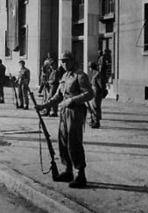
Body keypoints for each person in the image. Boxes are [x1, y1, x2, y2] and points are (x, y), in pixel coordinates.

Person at [35, 51, 94, 188]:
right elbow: (58, 96)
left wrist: (72, 100)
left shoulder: (80, 76)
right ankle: (68, 170)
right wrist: (44, 106)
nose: (64, 63)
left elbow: (89, 93)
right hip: (63, 112)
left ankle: (80, 174)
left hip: (75, 112)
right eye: (62, 61)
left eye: (66, 61)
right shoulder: (64, 76)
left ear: (73, 61)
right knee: (63, 141)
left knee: (74, 142)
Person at [88, 61, 105, 128]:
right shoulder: (94, 74)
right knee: (93, 107)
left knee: (95, 107)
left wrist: (101, 92)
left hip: (97, 93)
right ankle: (93, 121)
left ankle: (96, 122)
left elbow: (101, 85)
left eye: (89, 67)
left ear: (91, 68)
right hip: (94, 92)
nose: (89, 69)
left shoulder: (97, 74)